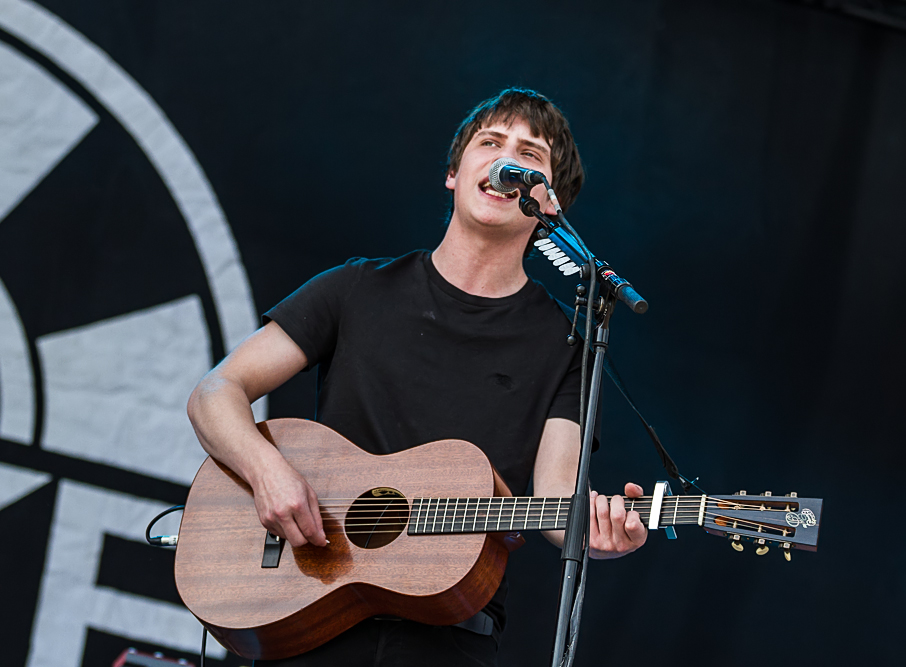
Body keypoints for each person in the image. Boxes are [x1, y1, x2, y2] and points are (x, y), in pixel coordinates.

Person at [186, 88, 647, 667]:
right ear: (455, 174)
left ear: (548, 204)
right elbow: (214, 394)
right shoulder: (355, 289)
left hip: (450, 634)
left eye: (530, 155)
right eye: (491, 143)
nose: (508, 160)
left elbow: (556, 501)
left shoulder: (567, 347)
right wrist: (268, 472)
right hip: (310, 609)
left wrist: (599, 534)